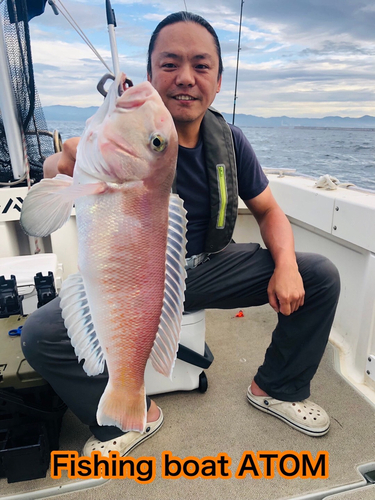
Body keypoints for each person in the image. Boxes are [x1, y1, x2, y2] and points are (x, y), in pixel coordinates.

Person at [22, 12, 340, 456]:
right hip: (131, 282)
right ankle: (131, 413)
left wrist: (286, 266)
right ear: (150, 73)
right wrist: (63, 162)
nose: (186, 78)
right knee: (39, 334)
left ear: (218, 79)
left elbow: (268, 210)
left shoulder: (230, 141)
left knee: (319, 274)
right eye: (170, 64)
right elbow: (48, 193)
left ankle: (277, 388)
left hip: (210, 266)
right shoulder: (112, 141)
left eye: (201, 65)